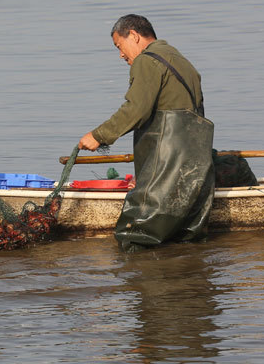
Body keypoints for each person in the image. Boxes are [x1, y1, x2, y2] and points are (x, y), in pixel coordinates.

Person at [78, 14, 215, 252]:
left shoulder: (147, 60)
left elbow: (136, 110)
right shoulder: (180, 59)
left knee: (135, 237)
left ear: (134, 35)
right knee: (185, 240)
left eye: (119, 46)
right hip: (194, 168)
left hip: (166, 165)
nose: (121, 55)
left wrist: (99, 135)